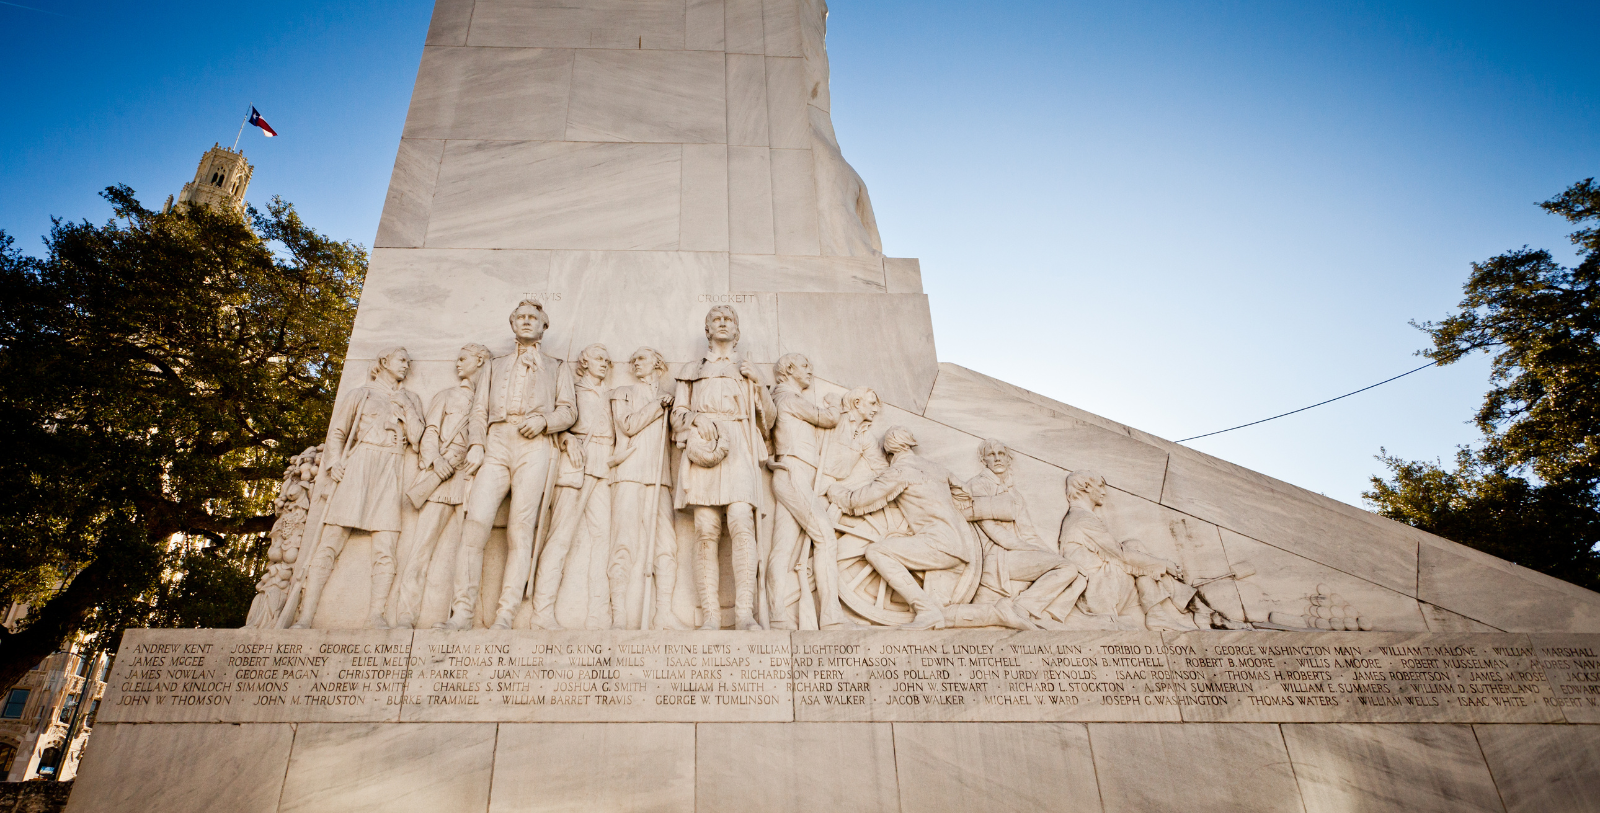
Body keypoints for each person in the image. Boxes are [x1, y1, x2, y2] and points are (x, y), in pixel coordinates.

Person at [443, 299, 576, 631]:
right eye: (521, 317)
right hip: (497, 441)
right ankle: (462, 612)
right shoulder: (494, 364)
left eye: (534, 317)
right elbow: (478, 409)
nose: (527, 321)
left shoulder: (557, 366)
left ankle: (506, 613)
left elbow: (569, 411)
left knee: (521, 529)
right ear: (513, 324)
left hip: (535, 445)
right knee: (476, 525)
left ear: (545, 325)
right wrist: (476, 443)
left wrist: (545, 422)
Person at [293, 347, 424, 629]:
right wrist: (334, 463)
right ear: (384, 361)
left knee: (386, 545)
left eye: (408, 360)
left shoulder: (409, 398)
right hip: (360, 462)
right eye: (402, 359)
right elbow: (338, 433)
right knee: (330, 540)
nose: (407, 365)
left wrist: (407, 409)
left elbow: (417, 438)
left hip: (391, 466)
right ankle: (305, 616)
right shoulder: (361, 394)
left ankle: (375, 614)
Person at [670, 306, 773, 630]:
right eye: (717, 319)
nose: (723, 323)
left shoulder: (747, 370)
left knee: (742, 520)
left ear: (737, 331)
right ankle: (711, 615)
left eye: (729, 319)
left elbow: (769, 421)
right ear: (708, 329)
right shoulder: (692, 369)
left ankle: (744, 613)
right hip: (704, 444)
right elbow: (677, 417)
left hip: (739, 443)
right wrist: (696, 418)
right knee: (705, 528)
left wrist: (759, 384)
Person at [826, 426, 983, 630]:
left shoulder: (900, 472)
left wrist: (835, 491)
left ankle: (926, 610)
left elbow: (858, 501)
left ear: (889, 451)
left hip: (937, 545)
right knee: (947, 617)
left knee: (877, 551)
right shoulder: (938, 469)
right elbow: (965, 494)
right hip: (959, 546)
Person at [391, 343, 491, 629]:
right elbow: (431, 431)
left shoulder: (491, 402)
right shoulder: (447, 395)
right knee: (421, 549)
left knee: (467, 552)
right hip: (442, 476)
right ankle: (405, 616)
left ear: (481, 361)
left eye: (464, 358)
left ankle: (456, 617)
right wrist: (435, 460)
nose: (458, 363)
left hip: (471, 479)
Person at [766, 354, 855, 629]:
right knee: (826, 538)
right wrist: (839, 405)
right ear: (789, 369)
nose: (811, 370)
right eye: (805, 366)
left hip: (794, 475)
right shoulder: (787, 397)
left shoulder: (782, 398)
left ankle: (777, 615)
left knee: (782, 548)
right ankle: (830, 616)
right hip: (794, 473)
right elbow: (825, 418)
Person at [530, 343, 614, 629]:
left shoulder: (610, 394)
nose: (605, 363)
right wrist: (566, 439)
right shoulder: (573, 389)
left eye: (607, 359)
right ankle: (542, 613)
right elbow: (555, 420)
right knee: (560, 538)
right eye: (599, 358)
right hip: (576, 464)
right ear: (584, 361)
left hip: (605, 467)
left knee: (604, 540)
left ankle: (598, 614)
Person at [607, 346, 688, 629]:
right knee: (623, 543)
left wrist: (676, 408)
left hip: (659, 478)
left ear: (657, 362)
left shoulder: (671, 399)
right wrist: (658, 406)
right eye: (633, 358)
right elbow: (628, 425)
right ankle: (618, 615)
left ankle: (663, 611)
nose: (634, 361)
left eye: (640, 357)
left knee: (666, 546)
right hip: (629, 474)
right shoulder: (623, 392)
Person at [1057, 470, 1199, 631]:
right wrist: (1165, 565)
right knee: (1135, 554)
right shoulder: (1082, 519)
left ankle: (1162, 613)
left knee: (1135, 547)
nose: (1104, 492)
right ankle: (1183, 610)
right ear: (1086, 487)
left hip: (1102, 584)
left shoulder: (1078, 516)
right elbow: (1121, 554)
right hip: (1098, 591)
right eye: (1101, 486)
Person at [966, 439, 1080, 625]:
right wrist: (1031, 551)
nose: (997, 458)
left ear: (1008, 459)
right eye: (991, 454)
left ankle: (1044, 614)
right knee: (1066, 568)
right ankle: (1022, 607)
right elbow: (995, 532)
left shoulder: (1014, 495)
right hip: (996, 557)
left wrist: (1051, 555)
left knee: (1069, 567)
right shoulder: (977, 485)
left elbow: (1029, 534)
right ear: (983, 459)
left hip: (1017, 554)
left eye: (1001, 454)